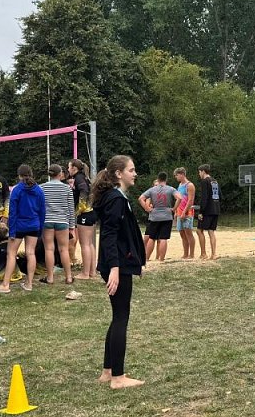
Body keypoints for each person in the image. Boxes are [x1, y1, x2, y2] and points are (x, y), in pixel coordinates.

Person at [92, 155, 146, 390]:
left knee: (117, 316)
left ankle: (108, 371)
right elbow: (109, 235)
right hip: (117, 266)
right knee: (121, 317)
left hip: (120, 263)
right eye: (131, 170)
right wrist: (114, 268)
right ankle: (118, 377)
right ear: (118, 174)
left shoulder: (117, 197)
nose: (135, 174)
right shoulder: (115, 199)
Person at [0, 164, 46, 293]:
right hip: (34, 225)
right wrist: (40, 228)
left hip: (19, 226)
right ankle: (29, 284)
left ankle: (5, 285)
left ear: (19, 175)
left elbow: (13, 212)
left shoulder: (17, 190)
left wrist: (12, 231)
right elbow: (42, 211)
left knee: (11, 254)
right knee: (30, 253)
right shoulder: (39, 190)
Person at [41, 164, 75, 284]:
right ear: (60, 174)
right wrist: (72, 225)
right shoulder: (67, 188)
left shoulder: (42, 187)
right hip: (62, 221)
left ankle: (50, 277)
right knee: (64, 249)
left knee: (49, 249)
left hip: (47, 220)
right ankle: (69, 277)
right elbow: (71, 208)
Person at [139, 172, 180, 262]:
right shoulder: (171, 189)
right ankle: (161, 259)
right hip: (167, 215)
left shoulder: (152, 190)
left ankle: (147, 258)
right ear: (166, 179)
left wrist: (147, 208)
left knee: (152, 238)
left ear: (158, 179)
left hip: (154, 216)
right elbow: (179, 198)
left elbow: (141, 198)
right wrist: (174, 208)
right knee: (163, 238)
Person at [69, 158, 97, 280]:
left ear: (74, 168)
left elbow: (84, 191)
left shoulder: (79, 178)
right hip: (91, 213)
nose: (68, 169)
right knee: (89, 244)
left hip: (85, 214)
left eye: (69, 167)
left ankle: (85, 273)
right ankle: (92, 271)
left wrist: (80, 208)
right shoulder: (84, 177)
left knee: (84, 244)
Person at [195, 164, 221, 260]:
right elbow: (220, 195)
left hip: (208, 210)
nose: (199, 174)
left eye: (199, 172)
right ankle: (214, 254)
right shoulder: (215, 181)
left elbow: (204, 198)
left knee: (199, 230)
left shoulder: (204, 181)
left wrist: (201, 212)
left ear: (203, 171)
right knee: (211, 231)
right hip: (216, 209)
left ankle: (203, 254)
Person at [173, 167, 196, 259]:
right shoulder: (180, 185)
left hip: (187, 213)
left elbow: (190, 200)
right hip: (179, 212)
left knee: (188, 233)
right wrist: (176, 211)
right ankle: (185, 254)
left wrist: (184, 211)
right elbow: (178, 199)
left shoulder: (190, 185)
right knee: (182, 233)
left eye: (177, 175)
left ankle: (191, 254)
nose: (176, 177)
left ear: (182, 174)